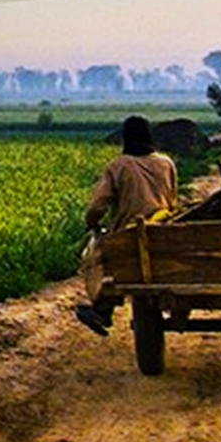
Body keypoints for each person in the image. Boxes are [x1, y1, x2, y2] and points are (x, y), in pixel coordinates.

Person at [70, 115, 180, 334]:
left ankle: (103, 310)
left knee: (102, 260)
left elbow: (97, 206)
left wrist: (91, 222)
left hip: (128, 236)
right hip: (165, 232)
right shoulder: (166, 164)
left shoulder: (118, 166)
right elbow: (173, 200)